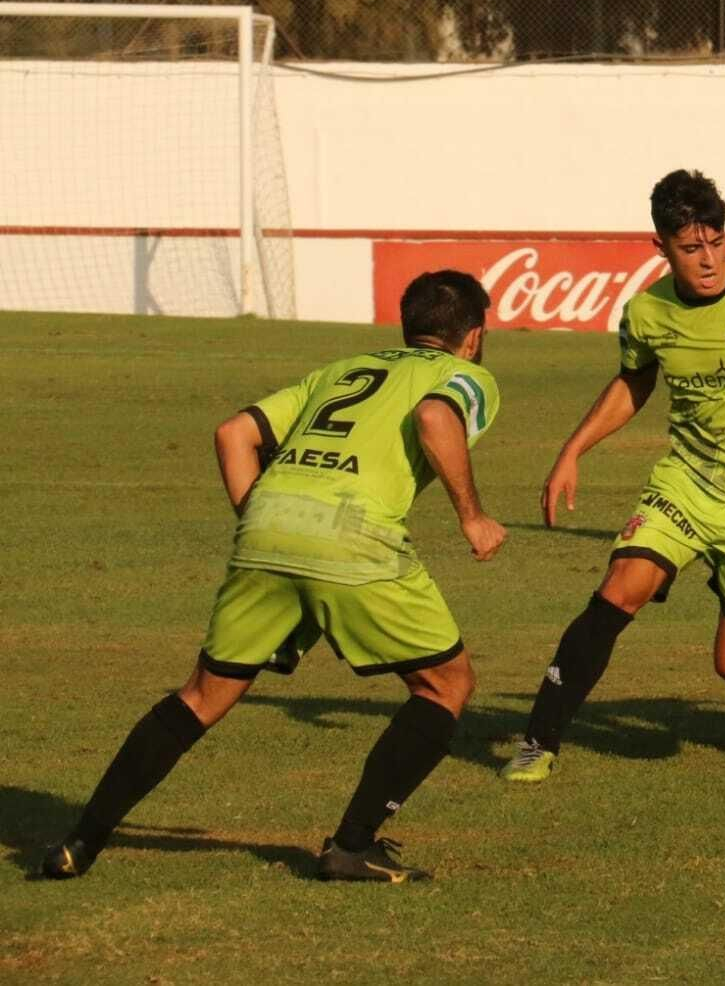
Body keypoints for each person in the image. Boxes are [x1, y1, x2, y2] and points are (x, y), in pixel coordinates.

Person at [41, 270, 507, 882]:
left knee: (202, 697)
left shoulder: (341, 370)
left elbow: (234, 434)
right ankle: (351, 845)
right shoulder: (466, 376)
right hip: (354, 535)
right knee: (447, 684)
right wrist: (472, 517)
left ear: (407, 324)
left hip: (265, 525)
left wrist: (268, 523)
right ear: (472, 337)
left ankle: (81, 840)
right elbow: (433, 418)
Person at [501, 168, 725, 784]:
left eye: (716, 243)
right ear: (661, 247)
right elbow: (634, 381)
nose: (707, 260)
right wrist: (573, 450)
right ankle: (539, 740)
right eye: (690, 248)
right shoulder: (646, 313)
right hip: (689, 482)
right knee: (620, 587)